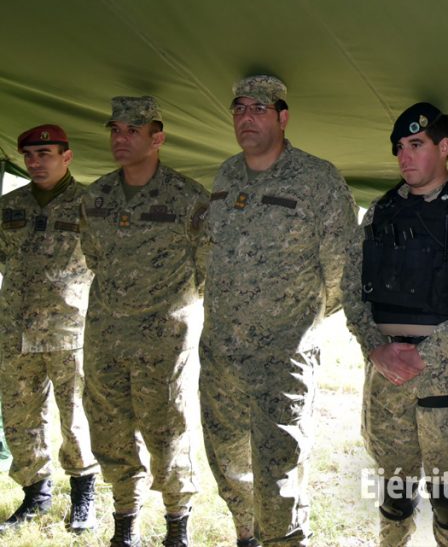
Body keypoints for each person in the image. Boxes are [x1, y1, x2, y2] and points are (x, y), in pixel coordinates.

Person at [343, 102, 448, 546]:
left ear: (444, 147)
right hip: (388, 375)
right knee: (394, 496)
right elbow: (351, 289)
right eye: (399, 147)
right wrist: (374, 347)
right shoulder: (380, 212)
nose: (405, 156)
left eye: (416, 144)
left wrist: (426, 354)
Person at [201, 75, 358, 547]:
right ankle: (246, 535)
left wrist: (296, 321)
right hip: (221, 355)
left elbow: (343, 269)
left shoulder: (317, 179)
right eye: (239, 108)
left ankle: (285, 540)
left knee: (279, 472)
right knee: (228, 461)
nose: (246, 118)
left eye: (258, 109)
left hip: (281, 357)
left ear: (282, 117)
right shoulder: (226, 175)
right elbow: (210, 250)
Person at [80, 97, 209, 547]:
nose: (120, 139)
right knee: (109, 430)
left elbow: (205, 266)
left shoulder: (188, 197)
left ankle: (177, 523)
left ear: (158, 138)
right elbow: (93, 256)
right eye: (115, 130)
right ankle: (125, 521)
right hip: (105, 335)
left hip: (164, 340)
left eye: (132, 131)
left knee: (167, 431)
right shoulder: (95, 196)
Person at [0, 124, 99, 533]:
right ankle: (35, 495)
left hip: (69, 330)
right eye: (29, 155)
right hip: (16, 330)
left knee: (76, 415)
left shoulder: (90, 205)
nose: (35, 162)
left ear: (67, 157)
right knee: (21, 415)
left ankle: (83, 497)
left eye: (45, 154)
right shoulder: (9, 206)